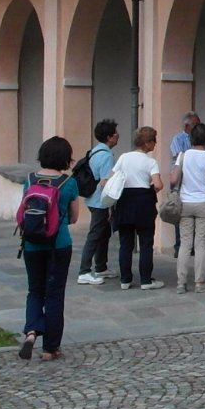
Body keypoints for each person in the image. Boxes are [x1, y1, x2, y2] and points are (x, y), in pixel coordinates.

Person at [17, 135, 82, 362]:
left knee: (35, 290)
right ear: (66, 158)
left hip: (32, 243)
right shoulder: (69, 183)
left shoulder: (30, 179)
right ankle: (50, 348)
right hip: (58, 244)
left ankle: (32, 331)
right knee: (54, 295)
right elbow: (74, 218)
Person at [171, 120, 205, 292]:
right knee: (200, 244)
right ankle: (199, 283)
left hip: (185, 203)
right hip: (203, 203)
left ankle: (181, 283)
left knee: (185, 244)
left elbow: (173, 179)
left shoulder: (183, 155)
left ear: (191, 138)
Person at [110, 127, 165, 290]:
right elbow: (158, 184)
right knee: (146, 242)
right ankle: (146, 280)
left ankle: (125, 279)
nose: (155, 143)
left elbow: (112, 178)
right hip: (144, 203)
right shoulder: (151, 162)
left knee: (125, 243)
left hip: (125, 201)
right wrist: (152, 188)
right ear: (147, 143)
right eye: (154, 140)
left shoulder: (124, 157)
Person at [75, 119, 119, 286]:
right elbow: (105, 182)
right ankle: (84, 271)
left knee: (103, 234)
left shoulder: (95, 151)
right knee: (95, 235)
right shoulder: (106, 155)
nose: (117, 137)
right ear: (109, 137)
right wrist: (109, 205)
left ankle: (101, 266)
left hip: (93, 198)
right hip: (101, 201)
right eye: (116, 134)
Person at [167, 113, 200, 253]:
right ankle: (179, 245)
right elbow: (178, 157)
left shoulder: (199, 139)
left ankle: (192, 245)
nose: (198, 128)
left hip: (195, 180)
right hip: (181, 179)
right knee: (179, 213)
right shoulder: (178, 138)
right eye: (195, 125)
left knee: (194, 212)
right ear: (187, 126)